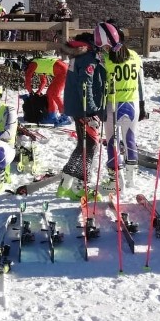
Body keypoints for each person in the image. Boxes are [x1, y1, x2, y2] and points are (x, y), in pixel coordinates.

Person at [94, 22, 148, 190]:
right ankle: (131, 179)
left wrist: (99, 108)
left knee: (112, 142)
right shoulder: (135, 55)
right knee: (130, 140)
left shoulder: (104, 60)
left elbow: (100, 86)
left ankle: (114, 181)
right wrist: (143, 105)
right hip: (133, 103)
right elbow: (141, 83)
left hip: (112, 105)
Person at [56, 32, 105, 200]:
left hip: (77, 106)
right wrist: (91, 110)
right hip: (83, 108)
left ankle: (65, 183)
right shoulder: (87, 57)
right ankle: (80, 187)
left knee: (82, 145)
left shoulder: (78, 55)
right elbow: (85, 84)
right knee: (90, 146)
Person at [23, 55, 70, 125]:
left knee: (54, 93)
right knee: (50, 93)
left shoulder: (32, 65)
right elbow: (44, 81)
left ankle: (65, 117)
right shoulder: (39, 65)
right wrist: (38, 92)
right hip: (62, 70)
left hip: (63, 71)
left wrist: (30, 92)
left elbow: (27, 79)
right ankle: (52, 116)